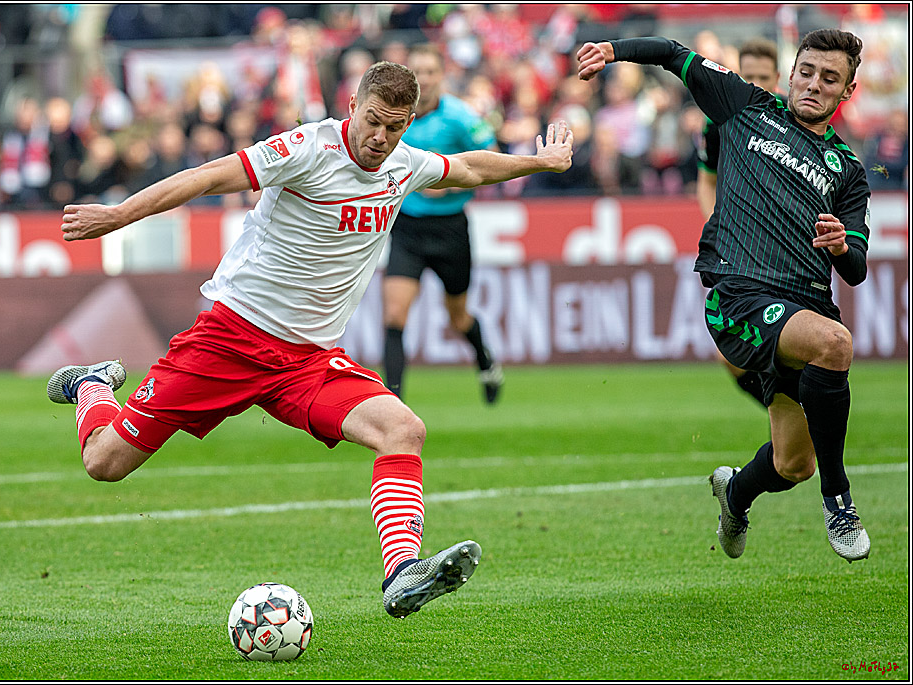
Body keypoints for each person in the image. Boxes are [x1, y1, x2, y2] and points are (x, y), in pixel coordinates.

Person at [48, 61, 573, 617]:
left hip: (308, 361)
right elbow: (206, 177)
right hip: (232, 339)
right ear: (351, 105)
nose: (379, 138)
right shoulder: (305, 148)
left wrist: (537, 161)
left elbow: (468, 168)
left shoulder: (405, 164)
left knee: (402, 429)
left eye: (394, 128)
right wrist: (120, 215)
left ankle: (402, 573)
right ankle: (93, 385)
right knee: (104, 464)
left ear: (408, 124)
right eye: (372, 121)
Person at [578, 28, 871, 563]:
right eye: (807, 71)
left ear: (846, 91)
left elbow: (856, 269)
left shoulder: (849, 171)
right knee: (836, 344)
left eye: (829, 78)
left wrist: (838, 246)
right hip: (739, 298)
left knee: (792, 464)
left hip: (803, 306)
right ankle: (840, 501)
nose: (813, 84)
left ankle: (735, 494)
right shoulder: (745, 106)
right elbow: (672, 53)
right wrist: (612, 50)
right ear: (791, 71)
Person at [382, 43, 503, 404]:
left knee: (458, 317)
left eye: (431, 71)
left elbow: (493, 158)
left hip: (450, 228)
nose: (425, 79)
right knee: (394, 314)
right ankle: (392, 402)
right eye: (417, 72)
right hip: (407, 225)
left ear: (441, 76)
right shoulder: (395, 116)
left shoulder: (461, 117)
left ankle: (485, 362)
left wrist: (447, 181)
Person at [696, 37, 781, 406]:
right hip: (739, 252)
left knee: (785, 348)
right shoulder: (719, 121)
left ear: (779, 78)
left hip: (784, 253)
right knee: (731, 355)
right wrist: (721, 226)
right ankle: (790, 425)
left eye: (764, 76)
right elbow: (707, 180)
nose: (757, 83)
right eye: (749, 76)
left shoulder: (793, 120)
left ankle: (797, 429)